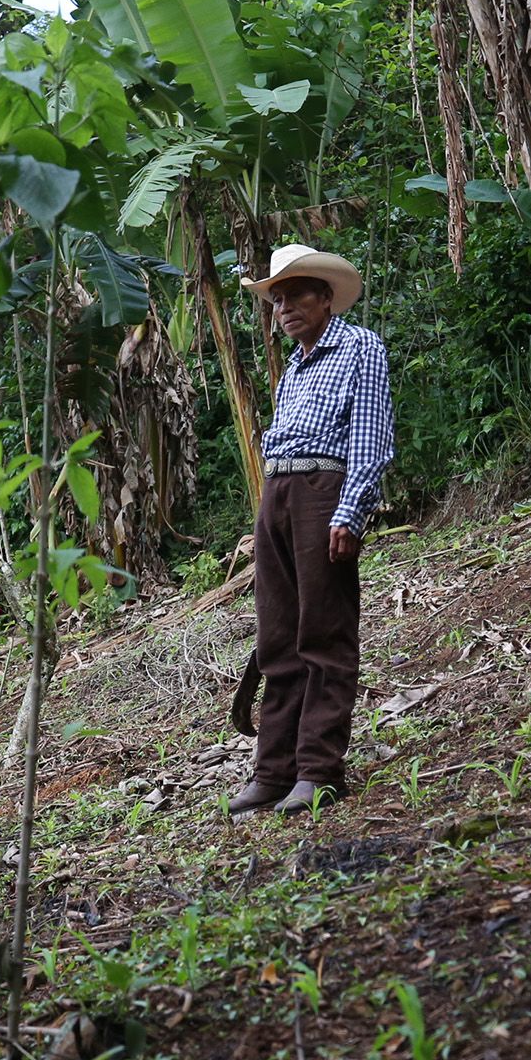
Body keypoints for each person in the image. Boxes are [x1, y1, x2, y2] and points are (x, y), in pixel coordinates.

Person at [227, 245, 394, 816]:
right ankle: (273, 771)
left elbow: (370, 439)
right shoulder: (295, 366)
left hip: (324, 494)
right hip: (278, 494)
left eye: (298, 293)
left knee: (323, 633)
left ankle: (319, 770)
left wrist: (351, 512)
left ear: (325, 296)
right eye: (277, 299)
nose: (286, 308)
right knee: (277, 637)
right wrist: (264, 514)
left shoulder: (358, 346)